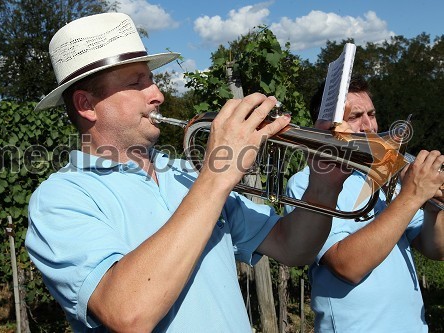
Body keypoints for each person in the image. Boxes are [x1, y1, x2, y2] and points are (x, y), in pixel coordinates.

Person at [25, 13, 349, 333]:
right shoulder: (60, 199)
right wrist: (216, 177)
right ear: (86, 105)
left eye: (150, 80)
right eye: (136, 83)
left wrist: (323, 187)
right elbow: (127, 314)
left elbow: (293, 247)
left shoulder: (185, 173)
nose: (158, 94)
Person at [284, 76, 444, 332]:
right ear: (329, 126)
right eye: (355, 116)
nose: (369, 126)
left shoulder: (384, 175)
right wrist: (412, 196)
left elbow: (435, 249)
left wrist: (432, 204)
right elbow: (347, 266)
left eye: (372, 113)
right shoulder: (305, 184)